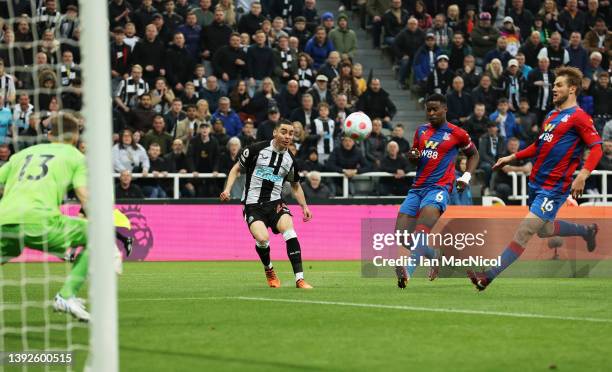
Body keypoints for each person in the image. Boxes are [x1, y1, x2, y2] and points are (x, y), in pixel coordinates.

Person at [468, 67, 602, 291]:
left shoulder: (579, 117)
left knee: (525, 231)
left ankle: (488, 276)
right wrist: (511, 157)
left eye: (558, 85)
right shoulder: (551, 115)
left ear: (572, 88)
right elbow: (539, 145)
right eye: (554, 85)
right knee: (544, 229)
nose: (554, 89)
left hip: (555, 187)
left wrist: (583, 175)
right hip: (536, 183)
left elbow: (596, 148)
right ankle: (586, 231)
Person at [0, 114, 91, 321]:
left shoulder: (23, 153)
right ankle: (66, 295)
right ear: (75, 137)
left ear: (50, 136)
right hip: (39, 221)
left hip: (4, 219)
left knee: (11, 249)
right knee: (98, 237)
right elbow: (84, 194)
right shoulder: (75, 156)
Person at [395, 93, 479, 287]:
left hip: (440, 188)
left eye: (435, 109)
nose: (431, 113)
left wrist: (465, 177)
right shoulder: (421, 131)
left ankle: (407, 272)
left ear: (445, 109)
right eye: (428, 110)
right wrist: (413, 156)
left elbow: (473, 154)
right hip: (417, 189)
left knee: (421, 230)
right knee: (402, 236)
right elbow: (416, 156)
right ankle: (436, 257)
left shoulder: (457, 133)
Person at [220, 120, 314, 289]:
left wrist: (304, 207)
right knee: (262, 239)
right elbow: (236, 169)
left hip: (275, 203)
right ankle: (269, 268)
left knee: (290, 232)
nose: (287, 136)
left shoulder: (290, 160)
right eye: (284, 132)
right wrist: (227, 190)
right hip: (252, 204)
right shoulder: (255, 150)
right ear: (275, 133)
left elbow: (295, 185)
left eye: (291, 133)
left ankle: (300, 279)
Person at [492, 137, 532, 202]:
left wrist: (512, 168)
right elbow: (506, 169)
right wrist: (522, 169)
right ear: (507, 145)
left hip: (521, 184)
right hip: (505, 183)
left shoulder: (523, 154)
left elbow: (528, 168)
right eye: (511, 145)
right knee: (503, 188)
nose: (513, 147)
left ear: (518, 146)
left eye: (515, 145)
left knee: (532, 188)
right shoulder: (502, 155)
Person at [478, 121, 506, 189]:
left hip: (498, 160)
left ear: (497, 128)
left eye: (494, 127)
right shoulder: (483, 138)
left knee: (506, 166)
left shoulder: (501, 138)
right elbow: (482, 154)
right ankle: (486, 187)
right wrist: (493, 163)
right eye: (490, 128)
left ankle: (499, 187)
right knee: (488, 167)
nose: (492, 129)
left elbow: (502, 152)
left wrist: (499, 161)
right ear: (488, 129)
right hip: (486, 161)